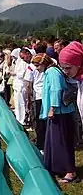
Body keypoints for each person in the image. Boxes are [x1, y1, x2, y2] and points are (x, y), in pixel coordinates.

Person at [33, 53, 78, 183]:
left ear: (43, 63)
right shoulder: (52, 71)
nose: (36, 68)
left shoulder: (52, 72)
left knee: (62, 142)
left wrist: (52, 108)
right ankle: (58, 167)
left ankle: (70, 171)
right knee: (55, 141)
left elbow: (56, 90)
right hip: (59, 112)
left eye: (37, 65)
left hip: (60, 112)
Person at [59, 41, 83, 143]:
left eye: (68, 68)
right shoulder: (79, 81)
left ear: (78, 64)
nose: (65, 72)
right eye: (62, 68)